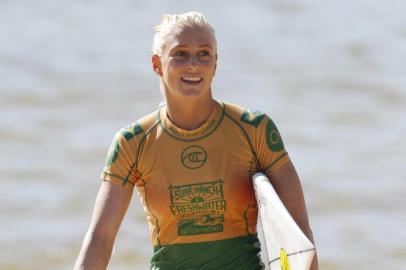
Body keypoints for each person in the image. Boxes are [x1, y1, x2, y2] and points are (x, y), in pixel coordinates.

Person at [74, 11, 318, 270]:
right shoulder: (132, 143)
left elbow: (299, 236)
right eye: (180, 54)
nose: (194, 64)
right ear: (156, 64)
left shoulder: (254, 130)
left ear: (215, 64)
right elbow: (100, 239)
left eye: (204, 53)